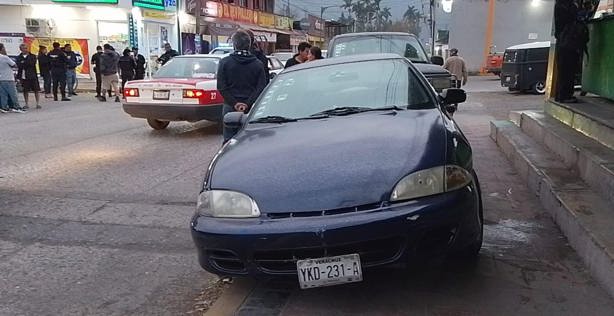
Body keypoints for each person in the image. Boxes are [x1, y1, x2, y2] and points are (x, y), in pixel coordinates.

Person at [217, 30, 267, 143]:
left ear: (234, 45)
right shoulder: (258, 64)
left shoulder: (225, 62)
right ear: (249, 45)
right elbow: (261, 87)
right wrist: (247, 103)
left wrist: (235, 103)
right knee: (251, 138)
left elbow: (221, 86)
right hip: (252, 108)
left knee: (229, 140)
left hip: (230, 107)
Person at [0, 43, 26, 113]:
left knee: (3, 94)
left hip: (1, 78)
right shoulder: (4, 57)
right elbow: (14, 65)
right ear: (2, 48)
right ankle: (17, 107)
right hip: (8, 78)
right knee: (13, 93)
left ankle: (4, 107)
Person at [16, 43, 41, 109]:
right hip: (24, 76)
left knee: (36, 90)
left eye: (26, 48)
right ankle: (26, 103)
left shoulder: (32, 56)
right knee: (25, 90)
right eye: (24, 48)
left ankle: (37, 103)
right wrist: (24, 63)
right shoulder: (19, 57)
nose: (26, 49)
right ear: (21, 49)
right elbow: (19, 65)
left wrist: (24, 62)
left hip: (33, 75)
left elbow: (32, 63)